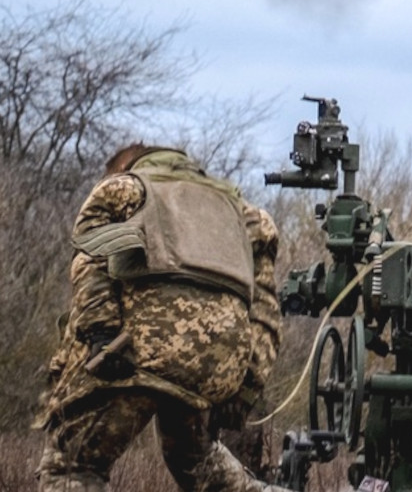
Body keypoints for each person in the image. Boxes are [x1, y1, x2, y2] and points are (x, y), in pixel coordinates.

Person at [36, 144, 287, 492]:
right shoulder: (247, 215)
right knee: (200, 464)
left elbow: (90, 264)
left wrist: (101, 334)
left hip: (136, 352)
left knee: (72, 467)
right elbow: (266, 313)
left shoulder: (123, 188)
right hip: (216, 366)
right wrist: (244, 390)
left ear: (126, 166)